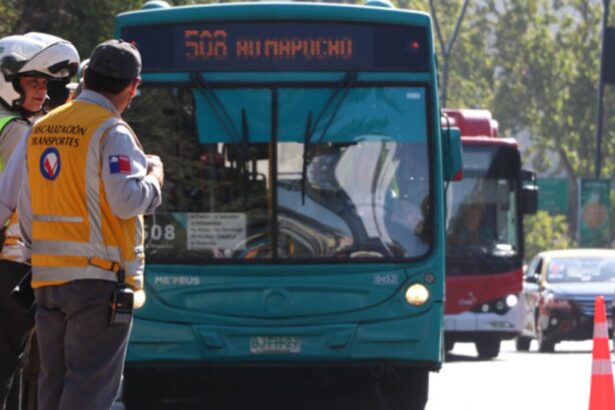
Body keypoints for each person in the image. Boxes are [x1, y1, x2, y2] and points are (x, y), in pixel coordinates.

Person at [0, 39, 163, 410]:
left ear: (85, 77)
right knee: (89, 389)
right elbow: (126, 200)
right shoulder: (112, 132)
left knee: (51, 387)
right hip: (97, 284)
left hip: (45, 282)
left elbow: (14, 205)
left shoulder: (40, 128)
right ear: (133, 87)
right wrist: (155, 179)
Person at [0, 32, 79, 410]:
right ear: (8, 80)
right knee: (14, 365)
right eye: (33, 82)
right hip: (12, 264)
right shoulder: (17, 129)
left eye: (45, 84)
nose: (41, 92)